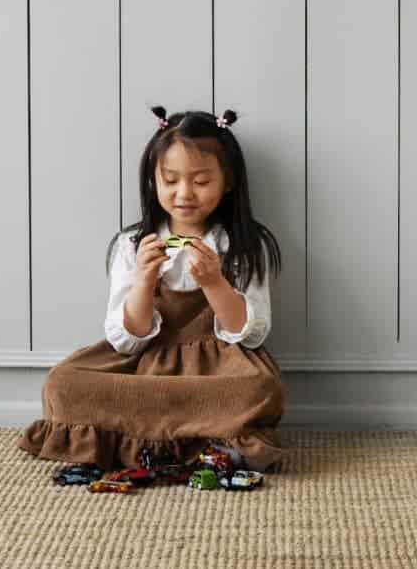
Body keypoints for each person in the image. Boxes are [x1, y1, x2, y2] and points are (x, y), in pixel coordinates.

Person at [18, 106, 284, 470]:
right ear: (152, 180)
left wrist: (214, 282)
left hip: (216, 371)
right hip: (143, 365)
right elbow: (127, 339)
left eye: (201, 181)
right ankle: (195, 438)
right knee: (62, 383)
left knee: (259, 390)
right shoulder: (133, 244)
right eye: (171, 180)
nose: (184, 193)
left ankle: (161, 437)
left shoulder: (244, 246)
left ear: (229, 181)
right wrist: (144, 283)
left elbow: (249, 334)